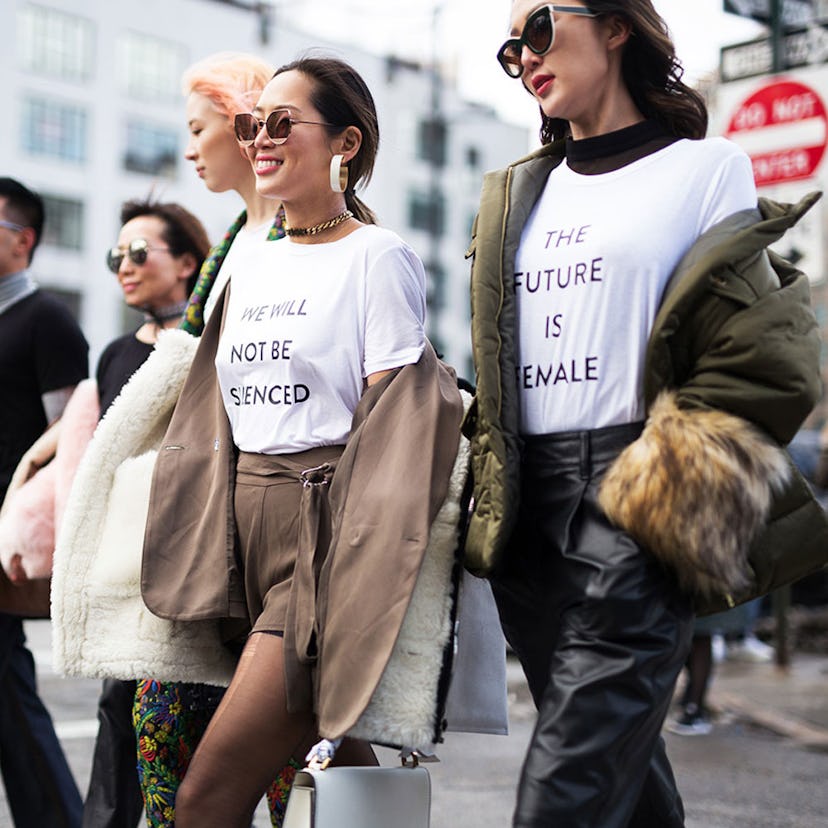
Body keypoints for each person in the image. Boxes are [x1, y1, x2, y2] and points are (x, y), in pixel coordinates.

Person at [463, 2, 825, 827]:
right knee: (620, 766)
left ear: (618, 25)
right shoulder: (516, 192)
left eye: (543, 29)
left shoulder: (704, 168)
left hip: (646, 483)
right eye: (511, 47)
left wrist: (674, 494)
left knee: (570, 777)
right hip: (527, 507)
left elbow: (754, 349)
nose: (525, 57)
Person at [139, 56, 463, 828]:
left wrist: (350, 556)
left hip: (320, 541)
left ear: (345, 143)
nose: (260, 138)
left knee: (208, 798)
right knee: (332, 752)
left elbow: (397, 425)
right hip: (237, 536)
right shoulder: (252, 263)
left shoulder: (376, 258)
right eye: (253, 123)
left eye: (283, 123)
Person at [128, 52, 297, 828]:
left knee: (285, 767)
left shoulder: (312, 230)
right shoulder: (237, 238)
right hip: (210, 528)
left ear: (243, 123)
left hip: (286, 534)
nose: (190, 150)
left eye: (198, 130)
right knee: (161, 731)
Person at [82, 199, 210, 828]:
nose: (124, 268)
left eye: (139, 253)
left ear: (188, 262)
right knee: (115, 706)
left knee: (185, 715)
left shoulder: (204, 346)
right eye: (116, 257)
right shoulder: (113, 354)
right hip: (121, 556)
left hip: (189, 554)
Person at [0, 176, 87, 827]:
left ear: (22, 239)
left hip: (6, 530)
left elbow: (68, 440)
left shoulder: (47, 319)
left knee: (6, 679)